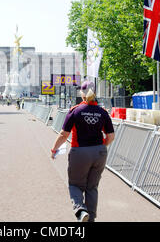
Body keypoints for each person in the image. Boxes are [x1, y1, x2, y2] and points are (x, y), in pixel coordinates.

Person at [50, 81, 115, 222]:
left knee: (75, 185)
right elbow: (111, 136)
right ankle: (90, 219)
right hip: (99, 153)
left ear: (82, 93)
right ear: (95, 93)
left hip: (80, 152)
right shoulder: (103, 112)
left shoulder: (75, 111)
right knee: (92, 187)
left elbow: (64, 135)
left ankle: (80, 210)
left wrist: (54, 149)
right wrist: (101, 146)